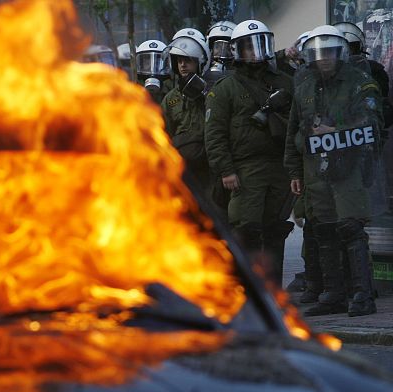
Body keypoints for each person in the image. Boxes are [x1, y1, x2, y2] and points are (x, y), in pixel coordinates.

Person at [284, 25, 384, 316]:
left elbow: (371, 125)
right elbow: (294, 132)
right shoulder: (303, 86)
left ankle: (363, 296)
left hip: (349, 168)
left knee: (351, 229)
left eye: (328, 52)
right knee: (323, 230)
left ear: (340, 53)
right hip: (314, 170)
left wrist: (335, 131)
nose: (323, 58)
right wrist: (294, 172)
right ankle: (333, 295)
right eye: (317, 53)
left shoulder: (359, 83)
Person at [205, 19, 294, 285]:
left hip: (280, 166)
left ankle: (273, 292)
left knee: (276, 230)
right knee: (246, 228)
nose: (255, 52)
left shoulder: (286, 83)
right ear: (236, 50)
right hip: (246, 170)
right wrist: (226, 170)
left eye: (261, 44)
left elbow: (298, 123)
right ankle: (247, 292)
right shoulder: (226, 88)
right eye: (247, 47)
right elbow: (215, 133)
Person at [161, 35, 211, 194]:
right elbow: (164, 135)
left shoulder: (213, 91)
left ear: (199, 62)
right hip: (183, 170)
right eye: (179, 60)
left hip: (210, 167)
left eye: (187, 60)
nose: (182, 65)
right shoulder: (170, 99)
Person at [135, 40, 171, 104]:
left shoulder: (170, 89)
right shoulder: (133, 89)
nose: (152, 67)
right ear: (140, 64)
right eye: (147, 62)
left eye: (157, 62)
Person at [205, 21, 236, 87]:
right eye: (217, 46)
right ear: (210, 49)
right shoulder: (203, 71)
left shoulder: (240, 76)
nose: (222, 50)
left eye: (227, 47)